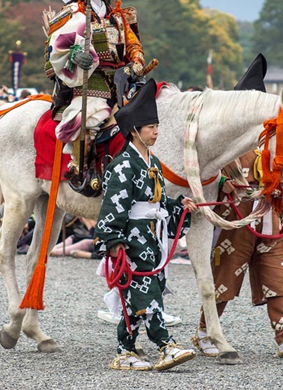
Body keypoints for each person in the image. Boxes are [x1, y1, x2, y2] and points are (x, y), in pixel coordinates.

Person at [193, 54, 283, 359]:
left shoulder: (277, 140)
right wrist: (227, 184)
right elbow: (213, 174)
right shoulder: (228, 142)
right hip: (237, 218)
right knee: (224, 280)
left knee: (278, 282)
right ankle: (203, 332)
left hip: (270, 219)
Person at [94, 79, 197, 372]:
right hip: (133, 237)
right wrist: (114, 242)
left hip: (153, 234)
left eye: (156, 126)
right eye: (151, 127)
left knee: (141, 291)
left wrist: (180, 208)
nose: (156, 132)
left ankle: (125, 351)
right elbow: (113, 206)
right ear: (135, 130)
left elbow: (160, 204)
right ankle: (166, 345)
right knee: (145, 290)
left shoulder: (152, 160)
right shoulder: (124, 164)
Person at [44, 0, 147, 172]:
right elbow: (53, 52)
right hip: (90, 82)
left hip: (124, 80)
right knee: (87, 120)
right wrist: (74, 57)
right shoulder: (72, 14)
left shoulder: (118, 16)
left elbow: (134, 46)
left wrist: (135, 64)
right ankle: (80, 169)